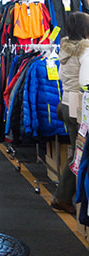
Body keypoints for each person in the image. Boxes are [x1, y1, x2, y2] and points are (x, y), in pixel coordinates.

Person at [52, 11, 89, 214]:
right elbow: (86, 82)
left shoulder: (65, 51)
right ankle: (63, 196)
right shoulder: (85, 51)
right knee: (79, 154)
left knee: (77, 151)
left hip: (67, 103)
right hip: (79, 107)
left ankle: (64, 195)